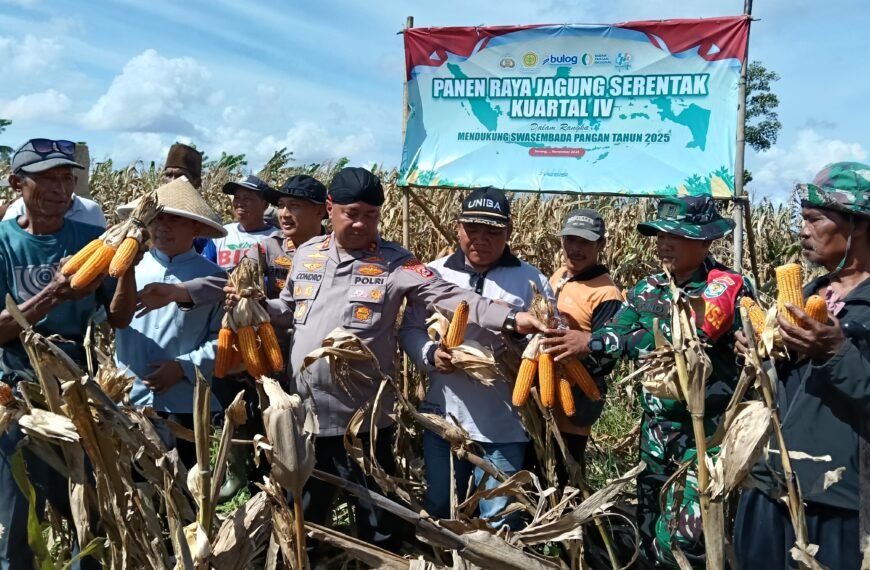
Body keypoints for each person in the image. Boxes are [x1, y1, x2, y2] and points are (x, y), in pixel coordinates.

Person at [218, 167, 547, 551]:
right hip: (305, 416)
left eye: (371, 215)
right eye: (352, 213)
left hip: (365, 424)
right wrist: (257, 306)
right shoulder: (306, 254)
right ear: (330, 208)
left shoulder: (397, 263)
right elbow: (288, 310)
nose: (361, 223)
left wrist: (511, 318)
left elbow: (449, 296)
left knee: (378, 525)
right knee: (304, 520)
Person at [581, 197, 750, 568]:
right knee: (648, 528)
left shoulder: (726, 288)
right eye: (660, 234)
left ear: (705, 240)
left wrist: (594, 342)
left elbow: (685, 340)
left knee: (683, 539)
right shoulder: (647, 289)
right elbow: (616, 331)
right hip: (655, 434)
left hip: (705, 437)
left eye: (676, 235)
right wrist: (576, 342)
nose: (664, 243)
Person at [0, 138, 137, 569]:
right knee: (18, 511)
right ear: (17, 183)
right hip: (17, 390)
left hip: (79, 386)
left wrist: (127, 269)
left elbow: (119, 318)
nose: (61, 190)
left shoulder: (91, 239)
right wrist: (54, 294)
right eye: (47, 180)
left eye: (66, 179)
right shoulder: (3, 243)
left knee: (86, 507)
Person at [734, 162, 870, 570]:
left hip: (838, 501)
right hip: (769, 487)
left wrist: (836, 353)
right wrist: (759, 354)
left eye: (814, 220)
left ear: (859, 224)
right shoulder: (801, 297)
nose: (802, 231)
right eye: (802, 219)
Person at [400, 187, 554, 528]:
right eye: (472, 229)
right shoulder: (433, 274)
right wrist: (430, 354)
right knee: (441, 509)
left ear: (509, 232)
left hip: (504, 424)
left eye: (492, 231)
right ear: (457, 228)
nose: (480, 239)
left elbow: (548, 341)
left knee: (500, 519)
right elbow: (410, 329)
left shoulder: (531, 280)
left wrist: (518, 337)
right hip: (444, 416)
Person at [115, 177, 226, 469]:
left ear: (196, 228)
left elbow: (223, 339)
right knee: (133, 484)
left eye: (175, 219)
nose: (163, 227)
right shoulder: (127, 268)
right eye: (157, 218)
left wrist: (182, 367)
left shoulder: (215, 278)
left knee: (186, 482)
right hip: (129, 397)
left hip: (185, 402)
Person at [539, 208, 622, 482]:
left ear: (601, 244)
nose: (575, 248)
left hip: (574, 401)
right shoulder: (559, 275)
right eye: (570, 240)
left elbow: (607, 355)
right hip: (544, 396)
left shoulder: (606, 293)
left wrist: (572, 356)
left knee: (566, 473)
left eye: (585, 242)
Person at [202, 175, 278, 270]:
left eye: (247, 198)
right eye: (237, 197)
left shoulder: (277, 239)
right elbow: (204, 270)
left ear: (265, 204)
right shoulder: (222, 234)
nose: (239, 203)